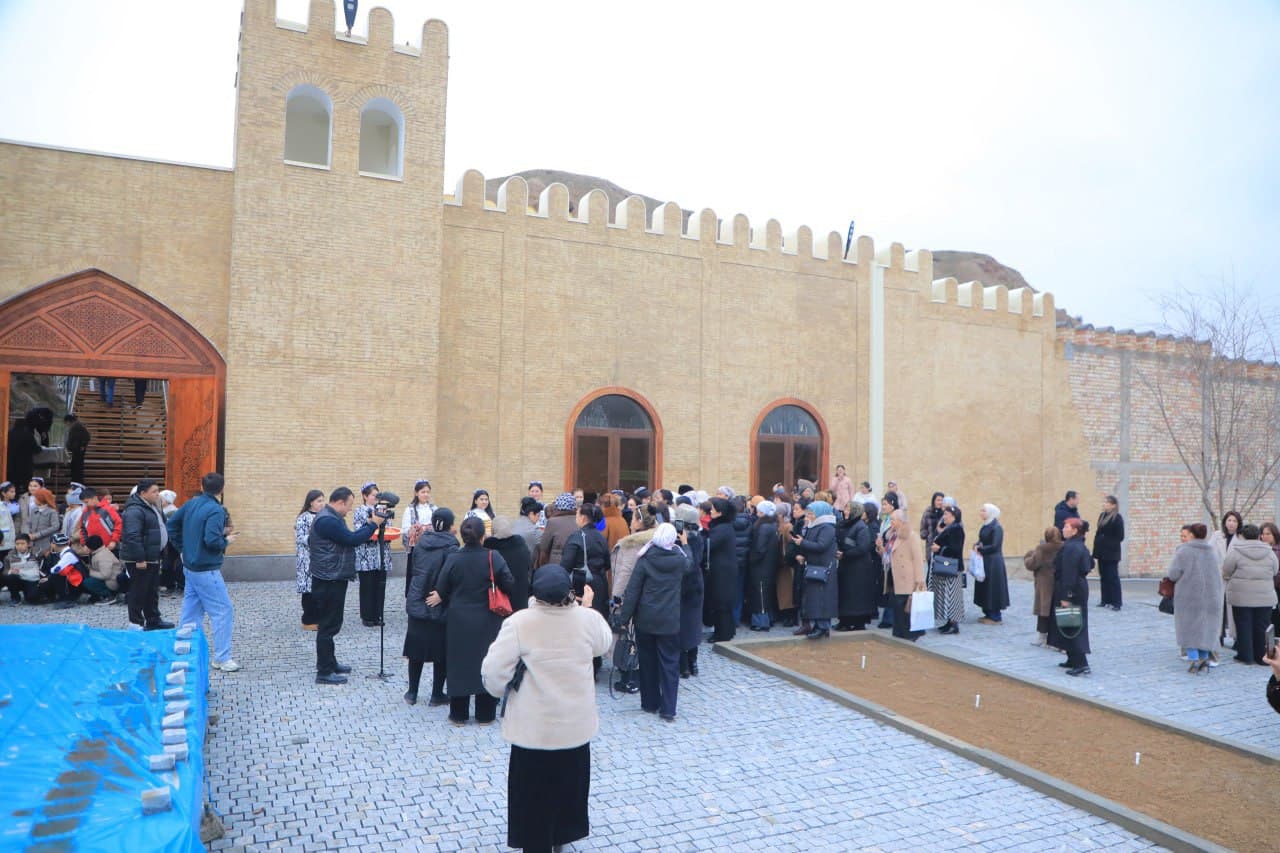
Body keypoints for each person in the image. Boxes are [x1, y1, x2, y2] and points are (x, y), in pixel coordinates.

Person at [481, 566, 613, 853]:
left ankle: (536, 843)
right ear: (570, 591)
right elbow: (603, 644)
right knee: (568, 791)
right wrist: (588, 607)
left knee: (532, 796)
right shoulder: (586, 619)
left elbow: (493, 673)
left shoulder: (520, 623)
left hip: (534, 729)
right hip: (574, 727)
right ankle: (561, 838)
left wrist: (502, 691)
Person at [432, 516, 514, 725]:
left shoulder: (453, 558)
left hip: (459, 617)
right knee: (487, 662)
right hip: (488, 617)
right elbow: (509, 583)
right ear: (482, 536)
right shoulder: (493, 557)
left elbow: (441, 588)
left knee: (459, 663)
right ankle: (485, 713)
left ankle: (458, 713)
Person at [617, 522, 691, 721]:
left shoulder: (645, 558)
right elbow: (690, 565)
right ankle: (668, 709)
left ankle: (650, 703)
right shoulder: (679, 559)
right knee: (669, 664)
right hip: (670, 620)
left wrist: (624, 618)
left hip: (646, 619)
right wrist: (685, 545)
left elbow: (633, 591)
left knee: (648, 662)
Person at [307, 486, 380, 684]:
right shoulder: (328, 520)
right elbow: (352, 539)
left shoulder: (330, 518)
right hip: (329, 578)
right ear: (339, 502)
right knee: (328, 625)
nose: (349, 509)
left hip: (332, 576)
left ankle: (330, 663)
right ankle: (323, 672)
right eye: (348, 505)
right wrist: (373, 524)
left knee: (332, 622)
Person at [167, 473, 238, 667]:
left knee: (191, 610)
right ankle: (222, 658)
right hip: (206, 568)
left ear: (202, 485)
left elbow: (171, 524)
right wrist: (226, 540)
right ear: (222, 489)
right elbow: (212, 540)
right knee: (223, 611)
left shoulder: (191, 503)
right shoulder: (216, 510)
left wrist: (182, 549)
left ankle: (184, 649)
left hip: (190, 566)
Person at [405, 508, 459, 707]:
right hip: (438, 601)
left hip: (418, 599)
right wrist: (443, 595)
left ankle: (412, 692)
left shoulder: (421, 544)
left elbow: (413, 572)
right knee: (440, 651)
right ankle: (437, 693)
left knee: (415, 649)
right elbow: (451, 576)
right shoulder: (452, 547)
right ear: (450, 525)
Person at [610, 504, 657, 693]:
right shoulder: (657, 540)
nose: (630, 522)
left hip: (631, 597)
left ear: (639, 522)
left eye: (632, 519)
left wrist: (616, 598)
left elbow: (625, 573)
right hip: (651, 597)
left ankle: (630, 677)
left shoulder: (631, 545)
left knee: (627, 637)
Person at [1166, 523, 1222, 673]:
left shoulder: (1184, 551)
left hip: (1188, 596)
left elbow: (1173, 573)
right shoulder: (1211, 552)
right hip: (1210, 596)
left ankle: (1194, 658)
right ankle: (1204, 657)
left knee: (1188, 628)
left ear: (1191, 534)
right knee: (1205, 628)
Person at [1221, 524, 1279, 665]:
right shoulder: (1269, 551)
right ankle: (1262, 656)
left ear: (1242, 537)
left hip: (1241, 596)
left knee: (1243, 625)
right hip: (1265, 596)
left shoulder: (1236, 551)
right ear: (1258, 536)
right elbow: (1275, 570)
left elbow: (1226, 570)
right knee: (1262, 626)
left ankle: (1245, 656)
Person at [121, 478, 174, 630]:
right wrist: (140, 558)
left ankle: (153, 619)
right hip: (141, 559)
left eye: (158, 491)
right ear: (143, 493)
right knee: (139, 590)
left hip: (153, 555)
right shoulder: (134, 510)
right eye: (154, 492)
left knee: (151, 590)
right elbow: (132, 535)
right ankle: (136, 621)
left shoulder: (152, 506)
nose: (158, 494)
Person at [1051, 517, 1092, 675]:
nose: (1063, 529)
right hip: (1075, 588)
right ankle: (1071, 658)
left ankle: (1081, 663)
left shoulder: (1073, 548)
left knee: (1073, 625)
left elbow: (1070, 573)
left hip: (1072, 591)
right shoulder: (1075, 544)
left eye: (1066, 527)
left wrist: (1067, 596)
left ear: (1074, 530)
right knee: (1066, 623)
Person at [793, 500, 839, 640]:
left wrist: (803, 542)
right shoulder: (815, 526)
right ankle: (818, 625)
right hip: (815, 566)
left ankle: (823, 626)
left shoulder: (826, 527)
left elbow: (821, 545)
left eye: (812, 513)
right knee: (815, 598)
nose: (810, 516)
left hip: (824, 568)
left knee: (822, 598)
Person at [353, 482, 391, 627]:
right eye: (373, 495)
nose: (376, 498)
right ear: (365, 496)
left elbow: (388, 528)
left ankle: (378, 614)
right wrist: (370, 524)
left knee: (380, 585)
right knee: (367, 586)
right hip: (366, 555)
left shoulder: (382, 510)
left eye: (377, 495)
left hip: (381, 553)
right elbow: (358, 530)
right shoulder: (360, 511)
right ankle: (367, 616)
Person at [674, 503, 706, 678]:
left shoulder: (686, 540)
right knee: (692, 624)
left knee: (683, 626)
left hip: (685, 586)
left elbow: (689, 564)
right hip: (696, 586)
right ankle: (692, 662)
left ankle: (685, 665)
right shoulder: (698, 537)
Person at [835, 501, 877, 631]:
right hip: (846, 566)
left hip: (859, 568)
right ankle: (844, 621)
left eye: (848, 509)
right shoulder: (844, 524)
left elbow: (863, 548)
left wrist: (845, 554)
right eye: (845, 509)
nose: (845, 512)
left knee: (856, 596)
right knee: (845, 594)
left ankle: (857, 622)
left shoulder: (860, 527)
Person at [886, 509, 927, 640]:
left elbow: (918, 559)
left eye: (893, 519)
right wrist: (881, 548)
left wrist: (919, 580)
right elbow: (889, 555)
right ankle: (899, 634)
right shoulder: (893, 535)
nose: (890, 522)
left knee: (906, 609)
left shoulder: (911, 536)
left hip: (907, 579)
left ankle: (909, 636)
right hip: (895, 577)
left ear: (901, 521)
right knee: (898, 609)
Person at [705, 497, 739, 643]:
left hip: (722, 571)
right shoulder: (723, 526)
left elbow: (709, 545)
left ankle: (722, 633)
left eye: (713, 508)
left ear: (720, 512)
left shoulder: (722, 528)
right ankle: (726, 631)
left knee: (721, 603)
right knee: (722, 602)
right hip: (723, 568)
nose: (710, 511)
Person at [1025, 527, 1064, 647]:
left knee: (1043, 610)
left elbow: (1033, 564)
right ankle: (1056, 639)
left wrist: (1028, 556)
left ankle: (1042, 637)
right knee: (1056, 609)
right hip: (1059, 582)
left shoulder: (1042, 548)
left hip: (1044, 582)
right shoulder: (1064, 547)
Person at [929, 504, 965, 634]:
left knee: (952, 596)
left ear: (954, 516)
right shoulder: (950, 528)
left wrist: (940, 549)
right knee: (946, 595)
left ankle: (954, 624)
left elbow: (956, 549)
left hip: (952, 567)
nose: (944, 517)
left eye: (946, 515)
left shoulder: (956, 529)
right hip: (947, 566)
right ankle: (949, 622)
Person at [745, 501, 781, 630]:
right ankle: (768, 619)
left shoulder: (763, 527)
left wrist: (751, 559)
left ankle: (761, 622)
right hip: (769, 565)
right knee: (766, 593)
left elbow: (760, 548)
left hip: (761, 566)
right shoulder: (773, 525)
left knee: (760, 594)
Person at [1210, 511, 1244, 649]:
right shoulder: (1216, 535)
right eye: (1229, 520)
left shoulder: (1242, 538)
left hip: (1235, 580)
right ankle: (1218, 636)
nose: (1231, 523)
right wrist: (1219, 570)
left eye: (1234, 521)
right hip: (1218, 579)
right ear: (1225, 522)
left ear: (1239, 523)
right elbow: (1210, 555)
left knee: (1234, 610)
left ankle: (1236, 637)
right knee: (1218, 608)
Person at [973, 503, 1010, 624]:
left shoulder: (996, 527)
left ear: (990, 512)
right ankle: (988, 612)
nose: (981, 512)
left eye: (984, 511)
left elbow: (995, 545)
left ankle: (995, 615)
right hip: (985, 560)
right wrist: (977, 545)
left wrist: (981, 549)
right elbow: (982, 539)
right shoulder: (986, 525)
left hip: (994, 562)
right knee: (985, 587)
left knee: (993, 588)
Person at [487, 516, 532, 613]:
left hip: (498, 601)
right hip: (520, 597)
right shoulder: (521, 545)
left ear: (493, 530)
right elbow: (529, 566)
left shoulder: (489, 548)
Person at [295, 489, 324, 630]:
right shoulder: (303, 518)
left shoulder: (324, 516)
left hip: (322, 559)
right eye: (319, 501)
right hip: (307, 559)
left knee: (320, 590)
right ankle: (308, 620)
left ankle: (320, 618)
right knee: (309, 591)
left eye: (322, 500)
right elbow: (300, 537)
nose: (321, 503)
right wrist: (317, 540)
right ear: (311, 502)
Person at [401, 480, 436, 596]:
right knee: (415, 573)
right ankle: (413, 596)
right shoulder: (410, 509)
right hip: (416, 548)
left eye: (427, 492)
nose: (426, 494)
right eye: (423, 492)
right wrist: (415, 529)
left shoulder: (434, 509)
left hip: (431, 547)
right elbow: (405, 529)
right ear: (416, 493)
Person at [1092, 495, 1126, 610]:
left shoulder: (1117, 518)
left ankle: (1116, 602)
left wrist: (1107, 543)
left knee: (1112, 577)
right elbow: (1098, 532)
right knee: (1103, 577)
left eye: (1107, 503)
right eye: (1104, 502)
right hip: (1101, 552)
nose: (1104, 504)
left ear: (1113, 505)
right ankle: (1105, 599)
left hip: (1111, 553)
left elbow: (1120, 536)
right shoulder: (1102, 516)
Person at [535, 493, 580, 569]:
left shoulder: (553, 522)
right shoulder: (579, 521)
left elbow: (544, 548)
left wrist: (542, 568)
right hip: (576, 565)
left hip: (556, 566)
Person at [4, 534, 46, 604]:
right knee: (10, 577)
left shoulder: (37, 553)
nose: (20, 546)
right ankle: (15, 598)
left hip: (32, 580)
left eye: (22, 543)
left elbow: (44, 565)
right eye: (17, 544)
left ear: (28, 544)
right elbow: (4, 571)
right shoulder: (9, 556)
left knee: (33, 599)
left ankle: (31, 594)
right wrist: (10, 571)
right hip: (18, 579)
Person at [78, 487, 121, 553]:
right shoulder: (85, 513)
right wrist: (84, 544)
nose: (86, 505)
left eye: (87, 502)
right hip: (93, 550)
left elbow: (118, 524)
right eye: (84, 503)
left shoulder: (108, 509)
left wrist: (114, 540)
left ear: (95, 498)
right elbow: (83, 530)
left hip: (110, 548)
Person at [83, 534, 122, 603]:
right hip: (109, 580)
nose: (84, 548)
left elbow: (105, 575)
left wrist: (90, 572)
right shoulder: (99, 552)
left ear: (91, 547)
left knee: (88, 582)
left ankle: (109, 596)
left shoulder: (103, 556)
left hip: (112, 583)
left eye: (86, 546)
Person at [24, 487, 60, 556]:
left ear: (41, 499)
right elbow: (28, 523)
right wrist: (27, 534)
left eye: (35, 498)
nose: (34, 499)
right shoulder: (34, 510)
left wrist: (38, 535)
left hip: (46, 543)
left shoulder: (52, 511)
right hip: (33, 543)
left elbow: (55, 526)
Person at [62, 413, 90, 485]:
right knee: (75, 467)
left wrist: (83, 445)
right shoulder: (75, 426)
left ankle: (77, 483)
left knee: (77, 468)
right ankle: (76, 482)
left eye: (66, 422)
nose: (66, 424)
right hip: (75, 450)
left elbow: (87, 436)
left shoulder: (78, 427)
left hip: (78, 451)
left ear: (69, 421)